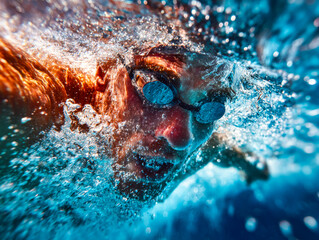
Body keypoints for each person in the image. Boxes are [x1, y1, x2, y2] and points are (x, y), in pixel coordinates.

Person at [0, 0, 269, 200]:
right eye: (156, 90)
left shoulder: (202, 141)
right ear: (105, 74)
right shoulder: (42, 110)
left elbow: (223, 148)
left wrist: (252, 167)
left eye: (210, 109)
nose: (180, 137)